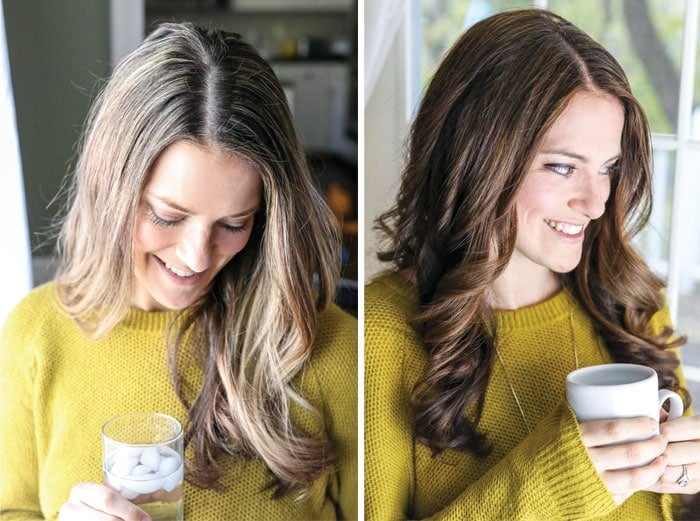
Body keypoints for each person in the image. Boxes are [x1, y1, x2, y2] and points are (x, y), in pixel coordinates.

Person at [0, 22, 357, 520]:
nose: (195, 258)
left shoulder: (327, 348)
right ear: (112, 191)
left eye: (234, 224)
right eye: (167, 216)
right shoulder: (34, 335)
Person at [365, 8, 699, 520]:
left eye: (607, 168)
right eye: (563, 167)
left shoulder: (632, 304)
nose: (595, 201)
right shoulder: (380, 335)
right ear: (477, 159)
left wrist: (689, 480)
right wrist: (549, 487)